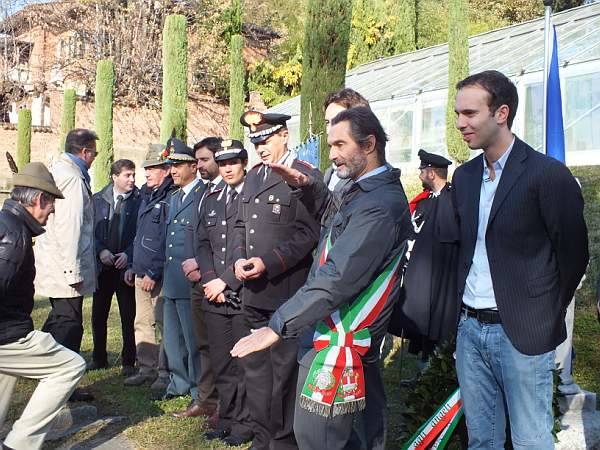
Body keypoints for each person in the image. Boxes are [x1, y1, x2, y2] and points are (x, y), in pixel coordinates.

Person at [231, 107, 411, 450]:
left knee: (320, 439)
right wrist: (308, 188)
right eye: (330, 145)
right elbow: (336, 222)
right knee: (340, 436)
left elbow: (338, 275)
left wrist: (278, 324)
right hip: (335, 333)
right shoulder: (362, 189)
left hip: (342, 338)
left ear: (369, 144)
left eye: (340, 144)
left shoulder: (378, 204)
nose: (332, 155)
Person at [452, 70, 589, 448]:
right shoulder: (463, 178)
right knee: (482, 441)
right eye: (457, 114)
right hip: (469, 331)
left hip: (523, 335)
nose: (461, 123)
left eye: (470, 113)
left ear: (501, 113)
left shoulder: (548, 175)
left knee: (531, 441)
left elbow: (574, 256)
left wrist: (542, 311)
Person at [232, 110, 322, 450]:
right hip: (253, 294)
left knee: (284, 377)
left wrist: (266, 263)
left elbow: (307, 235)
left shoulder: (303, 176)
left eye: (266, 139)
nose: (260, 147)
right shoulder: (254, 176)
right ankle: (263, 437)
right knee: (256, 374)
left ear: (284, 135)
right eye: (255, 141)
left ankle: (283, 442)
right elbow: (242, 225)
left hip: (286, 295)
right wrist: (240, 258)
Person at [0, 162, 86, 450]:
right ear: (38, 200)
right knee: (71, 366)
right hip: (8, 334)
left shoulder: (6, 223)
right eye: (51, 205)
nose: (51, 212)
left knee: (6, 372)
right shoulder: (14, 236)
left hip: (7, 330)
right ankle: (20, 444)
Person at [195, 139, 253, 445]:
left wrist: (226, 281)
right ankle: (226, 418)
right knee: (221, 362)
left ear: (244, 162)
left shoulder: (254, 197)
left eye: (234, 162)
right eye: (224, 163)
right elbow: (202, 243)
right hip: (214, 295)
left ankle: (245, 423)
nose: (228, 168)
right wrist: (210, 280)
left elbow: (256, 247)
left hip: (243, 295)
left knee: (243, 363)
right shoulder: (212, 197)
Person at [35, 128, 98, 402]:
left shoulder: (57, 170)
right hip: (66, 267)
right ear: (84, 152)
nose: (94, 158)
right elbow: (71, 226)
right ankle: (62, 386)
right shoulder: (72, 178)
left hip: (55, 263)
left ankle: (46, 374)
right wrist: (73, 270)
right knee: (68, 325)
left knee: (58, 321)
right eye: (93, 153)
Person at [394, 149, 460, 376]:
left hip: (441, 281)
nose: (420, 173)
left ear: (431, 173)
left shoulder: (452, 201)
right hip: (421, 277)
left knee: (437, 329)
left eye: (422, 169)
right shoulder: (427, 201)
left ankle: (435, 373)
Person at [174, 137, 224, 419]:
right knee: (203, 343)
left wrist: (203, 267)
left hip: (215, 279)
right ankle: (206, 399)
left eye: (204, 160)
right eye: (198, 160)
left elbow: (226, 241)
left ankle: (224, 405)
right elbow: (196, 233)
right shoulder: (204, 191)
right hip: (198, 279)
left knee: (221, 344)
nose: (199, 165)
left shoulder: (229, 191)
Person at [124, 146, 174, 389]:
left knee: (163, 323)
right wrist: (133, 266)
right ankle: (147, 368)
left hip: (158, 275)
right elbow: (139, 236)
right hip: (140, 272)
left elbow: (167, 239)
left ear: (166, 170)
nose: (147, 173)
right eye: (146, 168)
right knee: (142, 322)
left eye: (152, 168)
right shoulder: (147, 195)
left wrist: (154, 272)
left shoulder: (170, 196)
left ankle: (165, 373)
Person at [161, 138, 205, 401]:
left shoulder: (202, 195)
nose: (173, 170)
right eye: (171, 165)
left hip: (191, 280)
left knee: (194, 339)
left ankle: (199, 388)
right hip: (172, 279)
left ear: (193, 166)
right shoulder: (174, 197)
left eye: (178, 165)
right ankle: (178, 383)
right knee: (173, 339)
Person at [90, 159, 141, 375]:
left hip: (125, 268)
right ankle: (99, 358)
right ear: (114, 177)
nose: (132, 179)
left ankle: (129, 360)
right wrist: (101, 250)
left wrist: (128, 255)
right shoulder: (97, 200)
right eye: (127, 175)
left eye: (133, 175)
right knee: (98, 315)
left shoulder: (141, 201)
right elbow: (89, 231)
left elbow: (142, 234)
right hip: (103, 268)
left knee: (128, 315)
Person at [322, 88, 370, 193]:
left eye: (337, 120)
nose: (329, 130)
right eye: (327, 122)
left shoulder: (369, 179)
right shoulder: (329, 173)